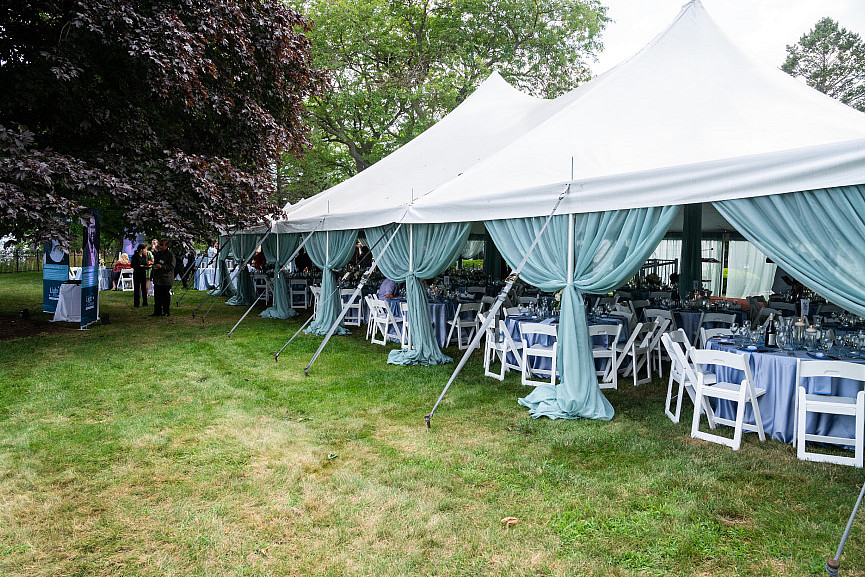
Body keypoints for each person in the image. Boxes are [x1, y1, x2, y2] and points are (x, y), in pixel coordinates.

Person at [151, 239, 176, 316]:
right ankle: (157, 312)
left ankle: (166, 311)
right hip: (158, 279)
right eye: (159, 245)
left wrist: (162, 266)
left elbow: (171, 266)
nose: (160, 247)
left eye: (162, 245)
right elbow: (155, 263)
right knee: (157, 296)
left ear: (166, 246)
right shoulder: (159, 253)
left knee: (165, 296)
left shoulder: (170, 255)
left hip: (166, 279)